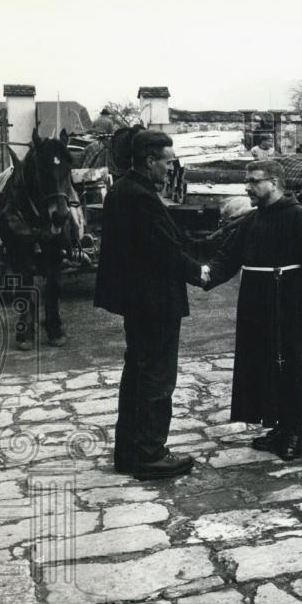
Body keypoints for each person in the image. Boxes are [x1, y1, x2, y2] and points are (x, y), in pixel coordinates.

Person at [201, 159, 302, 461]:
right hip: (256, 305)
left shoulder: (300, 218)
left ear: (274, 182)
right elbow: (228, 257)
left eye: (254, 181)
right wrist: (205, 273)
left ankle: (294, 433)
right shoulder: (251, 221)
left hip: (289, 302)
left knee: (291, 365)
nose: (248, 187)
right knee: (263, 363)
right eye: (247, 181)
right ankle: (276, 425)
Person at [94, 130, 205, 480]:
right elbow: (164, 249)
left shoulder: (122, 191)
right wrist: (199, 272)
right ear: (149, 161)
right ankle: (150, 455)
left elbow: (164, 237)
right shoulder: (139, 196)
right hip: (155, 301)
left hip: (138, 301)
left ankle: (128, 453)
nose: (170, 170)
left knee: (138, 374)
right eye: (167, 162)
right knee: (157, 379)